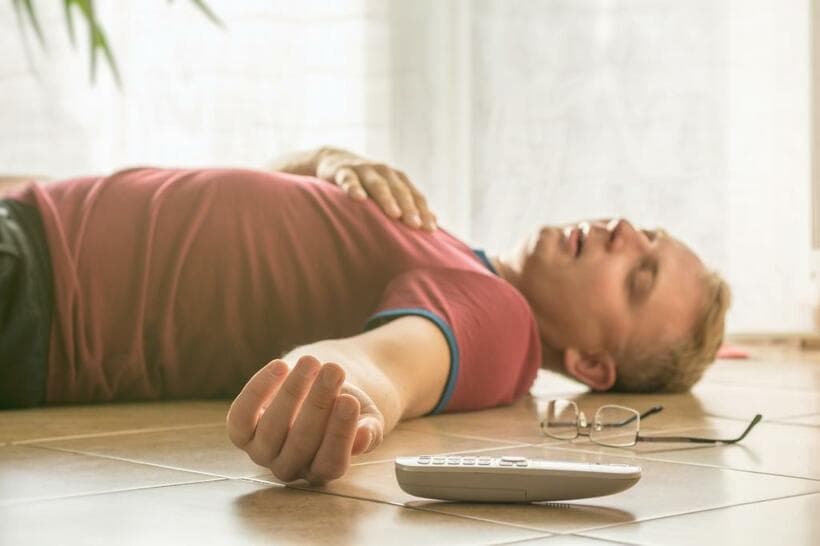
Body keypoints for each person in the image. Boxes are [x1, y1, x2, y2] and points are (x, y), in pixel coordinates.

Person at [0, 147, 730, 485]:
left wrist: (341, 391)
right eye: (648, 235)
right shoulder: (457, 253)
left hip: (38, 292)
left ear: (592, 367)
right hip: (34, 228)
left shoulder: (500, 317)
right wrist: (320, 159)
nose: (625, 230)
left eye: (639, 277)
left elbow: (391, 363)